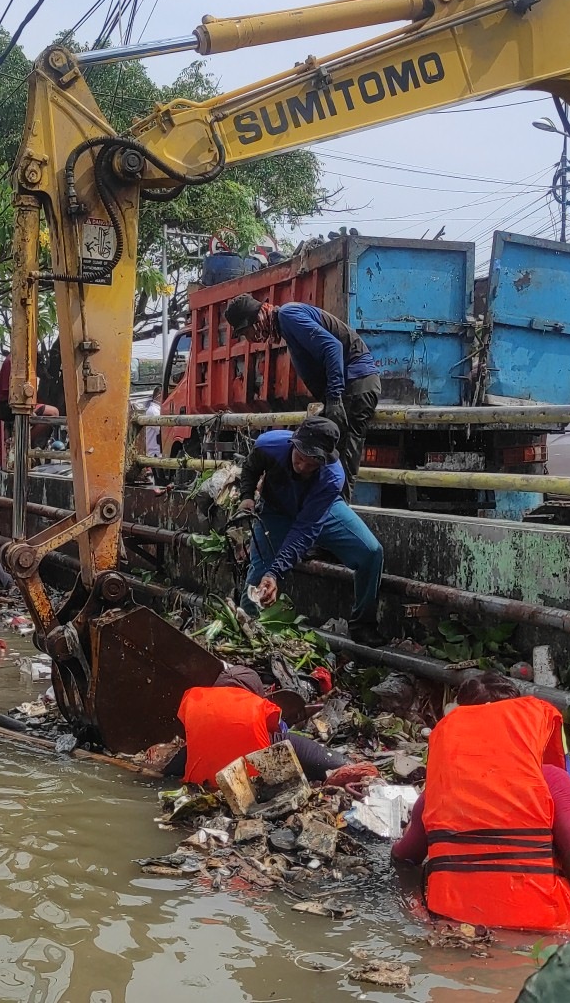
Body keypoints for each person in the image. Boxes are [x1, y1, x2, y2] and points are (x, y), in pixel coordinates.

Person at [393, 673, 570, 932]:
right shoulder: (551, 779)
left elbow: (404, 857)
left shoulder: (437, 791)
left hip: (455, 928)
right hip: (546, 930)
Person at [235, 416, 384, 645]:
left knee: (371, 552)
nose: (303, 467)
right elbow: (250, 467)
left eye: (312, 463)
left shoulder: (333, 476)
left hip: (321, 509)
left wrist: (276, 573)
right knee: (259, 575)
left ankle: (363, 624)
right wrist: (247, 496)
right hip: (276, 511)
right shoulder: (268, 446)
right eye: (300, 458)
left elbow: (305, 529)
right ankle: (246, 633)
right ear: (293, 444)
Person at [224, 293, 381, 486]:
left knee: (341, 461)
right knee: (320, 455)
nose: (249, 339)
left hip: (356, 384)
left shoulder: (288, 316)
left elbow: (333, 347)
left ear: (255, 321)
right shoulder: (286, 325)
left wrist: (334, 398)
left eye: (246, 332)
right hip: (350, 386)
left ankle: (337, 504)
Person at [167, 666, 350, 784]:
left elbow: (168, 770)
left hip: (202, 788)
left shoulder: (195, 703)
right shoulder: (262, 708)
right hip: (251, 790)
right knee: (284, 742)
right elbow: (275, 729)